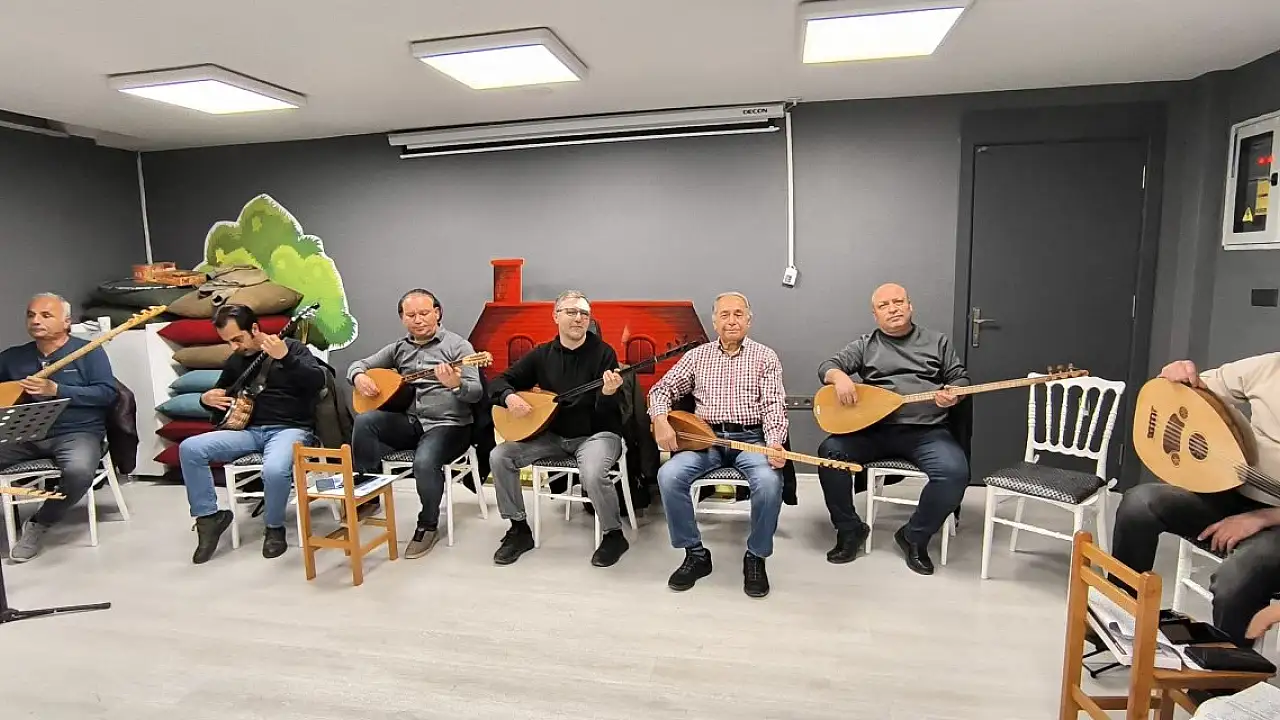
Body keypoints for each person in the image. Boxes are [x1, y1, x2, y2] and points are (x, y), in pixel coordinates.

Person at [1112, 355, 1280, 645]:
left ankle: (1229, 667)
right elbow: (1200, 388)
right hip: (1233, 491)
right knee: (1140, 503)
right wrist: (1176, 377)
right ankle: (1120, 619)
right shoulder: (1270, 367)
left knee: (1234, 580)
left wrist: (1261, 518)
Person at [815, 283, 970, 576]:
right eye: (883, 305)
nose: (893, 309)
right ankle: (849, 530)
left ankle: (914, 536)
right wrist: (839, 378)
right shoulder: (866, 345)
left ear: (910, 306)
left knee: (954, 473)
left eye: (898, 302)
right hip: (874, 431)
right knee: (830, 454)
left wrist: (954, 393)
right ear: (875, 315)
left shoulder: (937, 342)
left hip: (926, 432)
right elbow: (828, 366)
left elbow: (960, 378)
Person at [649, 292, 787, 598]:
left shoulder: (765, 356)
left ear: (749, 320)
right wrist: (660, 419)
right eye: (724, 315)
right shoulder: (697, 356)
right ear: (714, 322)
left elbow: (773, 405)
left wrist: (775, 443)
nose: (731, 320)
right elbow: (661, 390)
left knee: (768, 482)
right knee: (669, 475)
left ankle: (756, 556)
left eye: (738, 314)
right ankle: (695, 554)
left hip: (751, 440)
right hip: (705, 440)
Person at [487, 290, 628, 568]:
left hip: (596, 435)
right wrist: (509, 397)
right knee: (500, 456)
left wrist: (608, 393)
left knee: (592, 472)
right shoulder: (541, 355)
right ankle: (518, 529)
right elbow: (499, 382)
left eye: (584, 314)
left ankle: (613, 534)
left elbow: (610, 413)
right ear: (556, 316)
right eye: (571, 312)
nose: (578, 318)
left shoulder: (604, 353)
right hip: (551, 435)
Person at [179, 304, 326, 564]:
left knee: (274, 469)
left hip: (290, 429)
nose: (233, 346)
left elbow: (318, 383)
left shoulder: (292, 348)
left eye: (238, 339)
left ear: (255, 329)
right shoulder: (236, 360)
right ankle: (209, 518)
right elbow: (223, 396)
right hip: (248, 431)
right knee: (190, 448)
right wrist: (206, 399)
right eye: (228, 342)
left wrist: (286, 358)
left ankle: (274, 527)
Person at [348, 289, 481, 559]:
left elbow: (476, 392)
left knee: (424, 461)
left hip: (449, 425)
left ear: (437, 313)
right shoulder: (399, 348)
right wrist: (358, 376)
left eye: (424, 313)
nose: (418, 320)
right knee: (365, 422)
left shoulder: (459, 347)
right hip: (411, 421)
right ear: (402, 318)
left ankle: (427, 525)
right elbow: (358, 364)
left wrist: (456, 384)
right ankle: (367, 494)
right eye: (411, 315)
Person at [0, 293, 116, 563]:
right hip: (24, 433)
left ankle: (40, 522)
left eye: (45, 315)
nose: (36, 321)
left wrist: (57, 390)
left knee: (78, 471)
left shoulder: (88, 352)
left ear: (66, 322)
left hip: (77, 432)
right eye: (31, 315)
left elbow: (107, 393)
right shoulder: (13, 358)